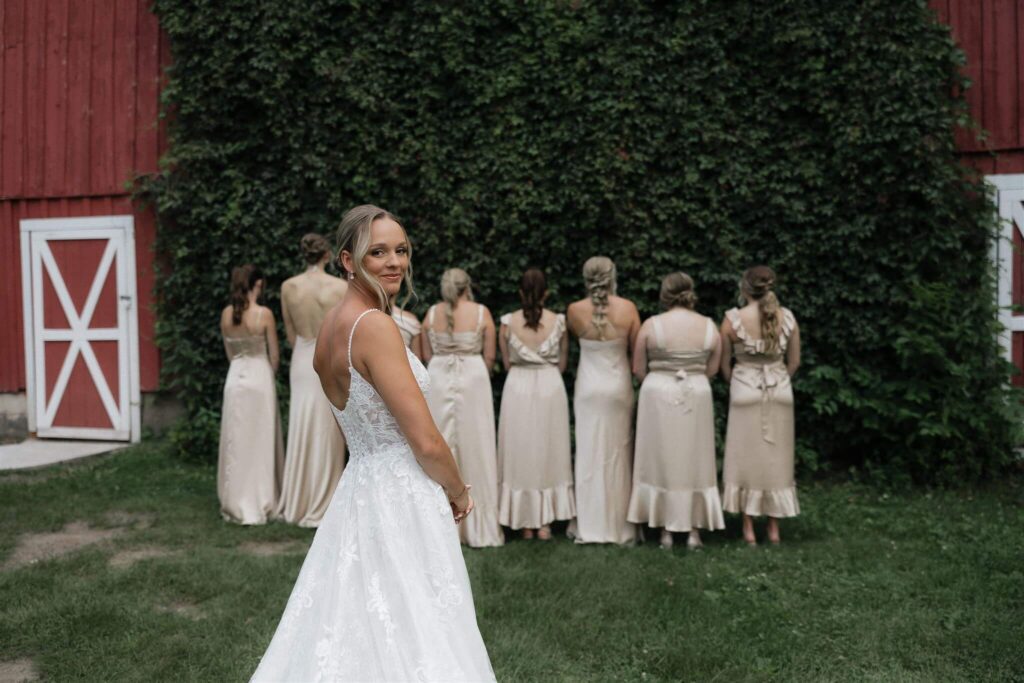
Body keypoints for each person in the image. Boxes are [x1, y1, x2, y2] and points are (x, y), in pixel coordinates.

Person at [251, 205, 494, 682]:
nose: (394, 262)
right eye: (377, 252)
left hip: (360, 487)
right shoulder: (375, 327)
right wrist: (459, 491)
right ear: (347, 260)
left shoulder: (329, 331)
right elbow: (423, 439)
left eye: (400, 250)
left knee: (359, 619)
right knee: (420, 626)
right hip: (402, 490)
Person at [627, 273, 725, 548]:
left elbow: (637, 368)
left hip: (658, 391)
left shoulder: (652, 325)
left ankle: (664, 532)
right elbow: (714, 369)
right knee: (695, 457)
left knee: (661, 458)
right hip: (696, 391)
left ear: (665, 295)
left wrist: (660, 379)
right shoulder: (708, 326)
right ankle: (693, 531)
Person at [422, 268, 504, 548]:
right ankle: (479, 525)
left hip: (438, 377)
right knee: (477, 445)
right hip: (474, 380)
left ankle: (439, 524)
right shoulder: (482, 313)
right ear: (467, 286)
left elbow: (425, 355)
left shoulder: (431, 314)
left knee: (438, 443)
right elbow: (490, 356)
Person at [721, 266, 801, 546]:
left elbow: (724, 366)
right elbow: (794, 363)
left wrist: (742, 383)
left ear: (744, 288)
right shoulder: (788, 318)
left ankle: (748, 529)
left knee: (746, 461)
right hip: (779, 390)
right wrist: (777, 381)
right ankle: (774, 529)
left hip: (745, 390)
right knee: (775, 461)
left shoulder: (732, 320)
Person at [565, 256, 639, 545]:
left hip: (588, 388)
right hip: (618, 387)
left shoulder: (574, 311)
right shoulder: (629, 309)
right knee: (619, 452)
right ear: (612, 276)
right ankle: (619, 525)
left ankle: (591, 523)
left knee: (588, 452)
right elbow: (636, 353)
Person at [497, 268, 575, 540]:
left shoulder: (507, 323)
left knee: (519, 451)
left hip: (517, 386)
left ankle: (524, 524)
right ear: (547, 293)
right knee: (549, 450)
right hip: (550, 386)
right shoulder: (560, 322)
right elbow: (563, 363)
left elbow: (506, 363)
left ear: (520, 292)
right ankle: (544, 523)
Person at [276, 233, 348, 527]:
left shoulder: (288, 287)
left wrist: (304, 350)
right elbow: (344, 331)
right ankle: (325, 499)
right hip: (328, 358)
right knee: (328, 428)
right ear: (328, 255)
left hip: (302, 359)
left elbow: (290, 333)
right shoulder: (341, 287)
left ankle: (299, 499)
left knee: (302, 424)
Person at [217, 264, 283, 525]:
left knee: (237, 440)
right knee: (260, 438)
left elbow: (229, 354)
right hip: (259, 377)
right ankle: (262, 498)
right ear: (258, 284)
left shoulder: (225, 315)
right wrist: (269, 372)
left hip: (235, 377)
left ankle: (234, 499)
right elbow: (274, 356)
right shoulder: (264, 314)